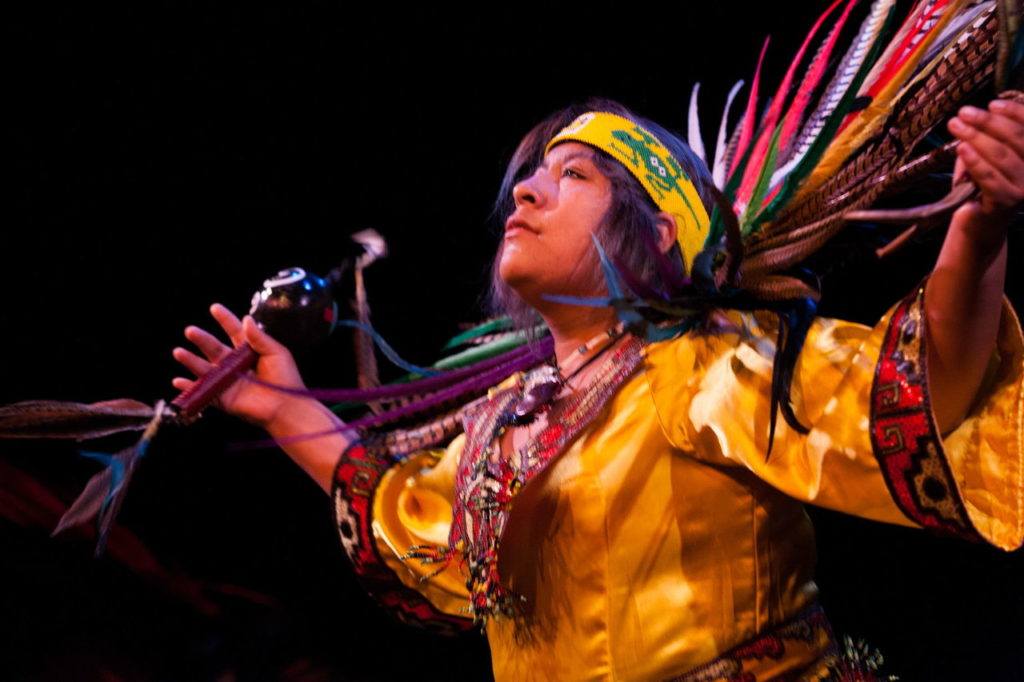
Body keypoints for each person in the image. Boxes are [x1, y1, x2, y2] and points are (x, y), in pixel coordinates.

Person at [172, 97, 1024, 680]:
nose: (527, 189)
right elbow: (417, 525)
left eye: (574, 175)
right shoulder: (508, 422)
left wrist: (977, 231)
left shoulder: (704, 363)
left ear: (656, 231)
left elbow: (910, 394)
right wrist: (284, 406)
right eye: (535, 174)